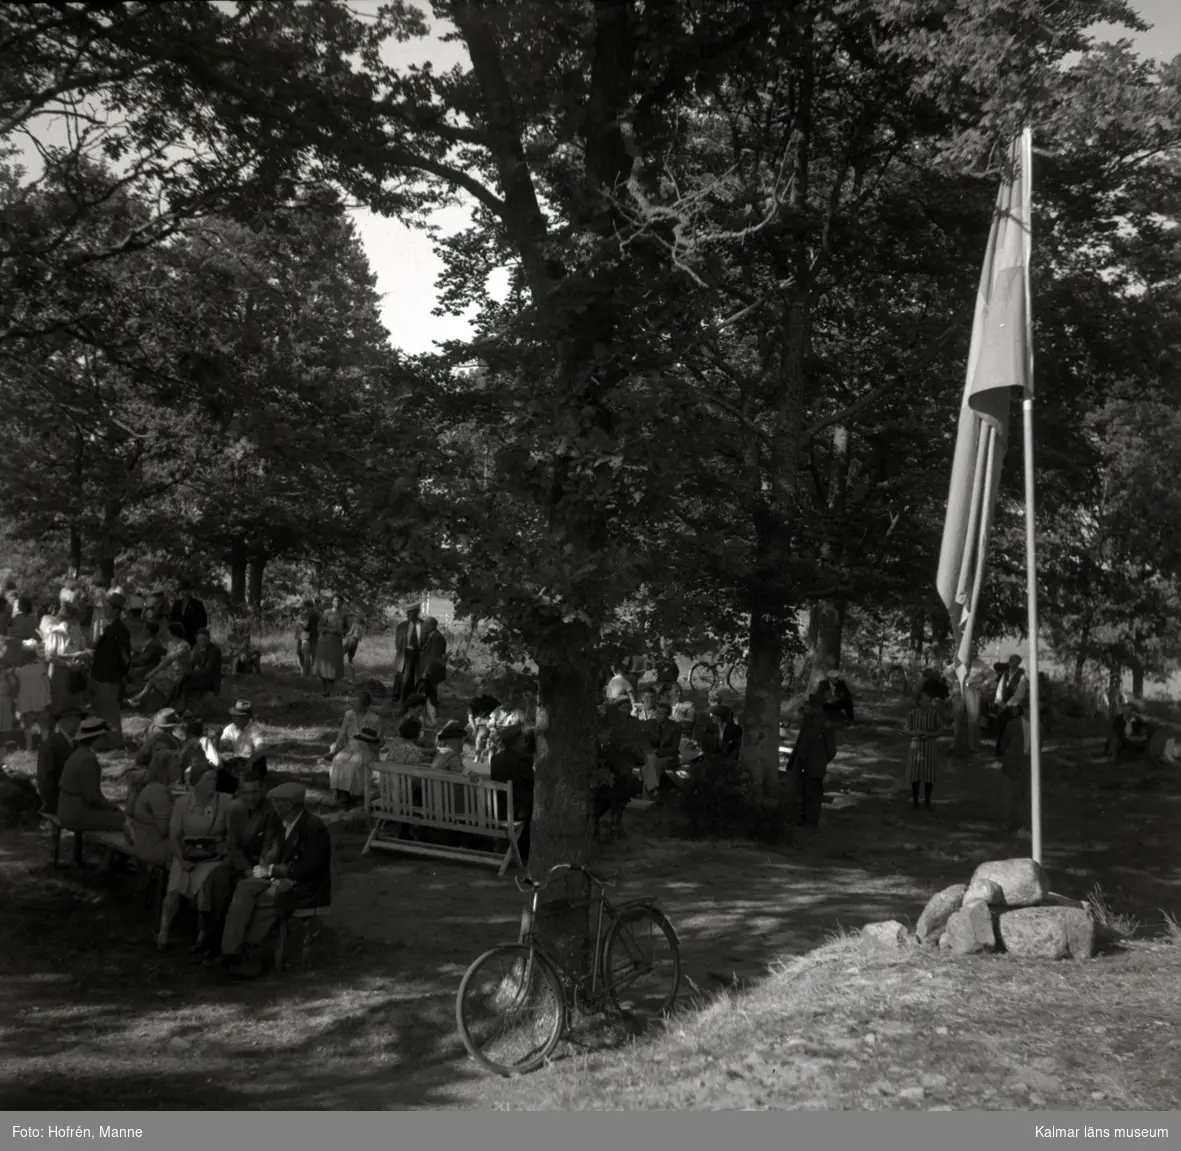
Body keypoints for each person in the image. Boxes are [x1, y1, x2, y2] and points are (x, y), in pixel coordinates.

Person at [219, 781, 331, 979]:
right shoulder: (283, 823)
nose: (273, 808)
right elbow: (274, 852)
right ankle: (230, 949)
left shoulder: (313, 827)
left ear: (288, 806)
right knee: (244, 888)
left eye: (277, 804)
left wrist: (272, 869)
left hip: (304, 887)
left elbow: (309, 868)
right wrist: (268, 865)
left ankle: (252, 956)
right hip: (280, 879)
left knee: (262, 901)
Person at [200, 761, 280, 963]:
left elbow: (271, 844)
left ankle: (230, 948)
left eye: (255, 792)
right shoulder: (234, 809)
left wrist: (259, 869)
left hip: (259, 863)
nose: (251, 797)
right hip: (238, 861)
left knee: (240, 891)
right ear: (239, 792)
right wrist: (243, 868)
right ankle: (210, 940)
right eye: (246, 793)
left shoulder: (270, 810)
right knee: (216, 881)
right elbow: (232, 844)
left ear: (261, 789)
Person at [158, 767, 232, 953]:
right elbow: (174, 836)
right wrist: (182, 861)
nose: (212, 784)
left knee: (204, 894)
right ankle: (164, 931)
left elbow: (232, 834)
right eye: (208, 780)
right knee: (174, 892)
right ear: (196, 783)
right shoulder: (182, 803)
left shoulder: (225, 801)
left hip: (212, 857)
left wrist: (223, 849)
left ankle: (202, 936)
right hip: (186, 855)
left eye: (214, 779)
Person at [56, 716, 124, 832]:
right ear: (96, 739)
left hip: (67, 810)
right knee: (122, 819)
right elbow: (92, 797)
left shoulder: (79, 754)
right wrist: (111, 808)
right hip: (76, 814)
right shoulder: (88, 760)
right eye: (104, 737)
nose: (106, 741)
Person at [482, 722, 533, 864]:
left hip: (498, 809)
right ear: (516, 742)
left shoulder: (496, 759)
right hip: (516, 812)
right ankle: (525, 852)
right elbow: (534, 781)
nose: (526, 742)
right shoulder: (522, 760)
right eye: (523, 740)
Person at [90, 591, 131, 750]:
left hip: (110, 677)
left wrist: (120, 675)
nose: (104, 610)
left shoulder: (119, 630)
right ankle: (104, 741)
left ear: (116, 610)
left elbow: (125, 657)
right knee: (102, 709)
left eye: (107, 607)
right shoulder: (109, 628)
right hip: (102, 676)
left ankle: (114, 743)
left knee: (110, 712)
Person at [790, 694, 837, 827]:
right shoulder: (807, 719)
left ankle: (811, 821)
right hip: (802, 762)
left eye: (814, 705)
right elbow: (801, 740)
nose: (811, 708)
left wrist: (821, 760)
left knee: (814, 793)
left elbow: (831, 749)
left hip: (815, 765)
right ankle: (801, 818)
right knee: (801, 790)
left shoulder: (825, 723)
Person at [43, 590, 89, 718]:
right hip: (58, 674)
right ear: (66, 619)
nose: (76, 621)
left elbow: (80, 647)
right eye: (74, 618)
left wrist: (82, 656)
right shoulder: (55, 633)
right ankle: (49, 735)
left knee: (74, 708)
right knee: (56, 708)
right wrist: (69, 663)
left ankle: (73, 733)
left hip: (74, 674)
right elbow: (50, 656)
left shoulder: (75, 631)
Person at [125, 756, 177, 868]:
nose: (180, 770)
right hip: (154, 849)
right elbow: (164, 830)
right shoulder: (158, 791)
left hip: (144, 844)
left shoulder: (153, 787)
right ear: (165, 769)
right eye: (176, 767)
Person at [128, 622, 191, 710]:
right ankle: (137, 699)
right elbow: (165, 658)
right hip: (170, 671)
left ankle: (137, 699)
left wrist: (153, 672)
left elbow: (169, 660)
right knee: (151, 681)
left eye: (168, 631)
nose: (167, 633)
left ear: (173, 633)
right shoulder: (170, 644)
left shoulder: (184, 646)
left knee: (152, 679)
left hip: (180, 673)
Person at [35, 708, 82, 814]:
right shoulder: (49, 746)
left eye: (77, 720)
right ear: (61, 722)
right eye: (70, 720)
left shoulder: (80, 745)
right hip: (60, 802)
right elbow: (45, 780)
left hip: (79, 800)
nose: (75, 724)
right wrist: (53, 805)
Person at [906, 687, 944, 811]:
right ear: (920, 702)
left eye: (929, 701)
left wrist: (930, 734)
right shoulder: (913, 714)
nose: (928, 703)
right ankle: (915, 801)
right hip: (916, 746)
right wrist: (915, 732)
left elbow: (940, 729)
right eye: (926, 701)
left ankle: (927, 801)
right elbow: (907, 728)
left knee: (929, 774)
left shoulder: (934, 714)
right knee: (915, 774)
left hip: (929, 746)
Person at [999, 701, 1032, 836]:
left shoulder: (1038, 726)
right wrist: (1009, 756)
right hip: (1015, 762)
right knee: (1014, 794)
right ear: (1023, 710)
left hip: (1029, 762)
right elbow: (1004, 742)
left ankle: (1028, 824)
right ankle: (1012, 822)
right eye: (1028, 709)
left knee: (1028, 794)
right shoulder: (1013, 725)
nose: (1030, 712)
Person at [329, 723, 381, 807]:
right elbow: (375, 766)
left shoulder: (350, 746)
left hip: (336, 777)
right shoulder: (367, 753)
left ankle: (342, 793)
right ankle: (355, 796)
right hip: (354, 782)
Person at [324, 690, 384, 760]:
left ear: (365, 705)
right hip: (349, 748)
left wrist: (369, 746)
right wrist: (336, 748)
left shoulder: (376, 719)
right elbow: (342, 734)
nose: (352, 704)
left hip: (367, 751)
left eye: (355, 702)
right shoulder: (349, 714)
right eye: (352, 701)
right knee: (338, 759)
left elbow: (379, 742)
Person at [642, 700, 681, 797]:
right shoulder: (651, 724)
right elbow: (645, 741)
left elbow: (674, 749)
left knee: (652, 764)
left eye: (661, 713)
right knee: (652, 760)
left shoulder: (675, 727)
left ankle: (647, 794)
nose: (657, 715)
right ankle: (652, 792)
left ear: (667, 715)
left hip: (667, 757)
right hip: (651, 755)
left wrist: (657, 751)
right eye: (657, 712)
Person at [313, 594, 348, 697]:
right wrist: (329, 630)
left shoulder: (344, 614)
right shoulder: (326, 613)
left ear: (342, 603)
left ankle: (330, 690)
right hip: (325, 641)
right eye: (335, 601)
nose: (337, 603)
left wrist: (343, 631)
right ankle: (323, 690)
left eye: (339, 601)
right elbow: (319, 627)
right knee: (324, 665)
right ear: (332, 602)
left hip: (336, 642)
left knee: (334, 666)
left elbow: (347, 628)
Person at [993, 654, 1028, 754]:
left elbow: (1019, 693)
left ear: (1018, 663)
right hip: (1002, 705)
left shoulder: (1021, 677)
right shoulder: (1005, 675)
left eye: (1012, 660)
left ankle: (1009, 748)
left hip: (1014, 706)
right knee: (1000, 726)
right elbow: (999, 689)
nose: (1010, 662)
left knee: (1010, 727)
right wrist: (999, 701)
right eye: (1010, 660)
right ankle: (999, 748)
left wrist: (1008, 704)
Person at [180, 628, 223, 706]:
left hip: (210, 680)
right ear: (196, 639)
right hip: (200, 676)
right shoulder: (197, 647)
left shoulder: (215, 651)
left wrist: (188, 674)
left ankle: (181, 706)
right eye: (200, 639)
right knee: (180, 679)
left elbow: (208, 670)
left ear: (209, 639)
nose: (202, 642)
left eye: (204, 639)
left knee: (184, 681)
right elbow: (191, 663)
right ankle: (177, 704)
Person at [393, 605, 424, 709]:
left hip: (419, 653)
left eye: (410, 613)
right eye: (407, 613)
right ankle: (398, 696)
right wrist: (402, 651)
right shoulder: (402, 626)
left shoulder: (423, 625)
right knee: (402, 676)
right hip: (405, 653)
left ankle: (414, 695)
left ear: (417, 613)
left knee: (417, 676)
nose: (408, 615)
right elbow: (397, 642)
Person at [417, 616, 448, 724]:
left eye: (425, 624)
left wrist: (426, 672)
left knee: (430, 694)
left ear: (431, 626)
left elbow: (434, 657)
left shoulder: (438, 638)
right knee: (428, 694)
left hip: (432, 672)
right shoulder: (431, 636)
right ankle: (428, 716)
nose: (423, 626)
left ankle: (431, 718)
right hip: (428, 671)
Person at [180, 716, 221, 785]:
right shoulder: (203, 741)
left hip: (196, 778)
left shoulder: (202, 741)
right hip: (191, 779)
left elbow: (215, 762)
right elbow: (216, 762)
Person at [467, 681, 501, 760]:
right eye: (481, 686)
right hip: (479, 723)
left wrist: (494, 717)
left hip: (489, 722)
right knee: (466, 734)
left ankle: (481, 759)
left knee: (482, 737)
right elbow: (470, 717)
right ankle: (474, 757)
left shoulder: (490, 699)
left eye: (484, 686)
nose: (484, 687)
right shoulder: (472, 702)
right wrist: (474, 728)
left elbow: (500, 708)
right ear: (477, 688)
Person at [170, 580, 208, 648]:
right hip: (178, 638)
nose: (185, 592)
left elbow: (203, 622)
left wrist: (196, 635)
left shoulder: (197, 604)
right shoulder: (177, 604)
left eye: (187, 590)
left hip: (192, 638)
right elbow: (172, 619)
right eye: (183, 590)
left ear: (191, 590)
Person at [295, 600, 320, 678]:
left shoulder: (306, 614)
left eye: (304, 606)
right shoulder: (318, 614)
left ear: (306, 606)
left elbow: (305, 626)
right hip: (316, 637)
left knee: (306, 658)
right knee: (315, 658)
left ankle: (305, 676)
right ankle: (315, 676)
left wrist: (299, 624)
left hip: (306, 637)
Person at [343, 612, 365, 683]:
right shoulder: (362, 627)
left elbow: (350, 632)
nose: (354, 618)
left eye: (355, 617)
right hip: (356, 642)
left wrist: (343, 635)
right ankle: (352, 676)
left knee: (341, 653)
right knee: (350, 659)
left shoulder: (355, 624)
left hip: (351, 640)